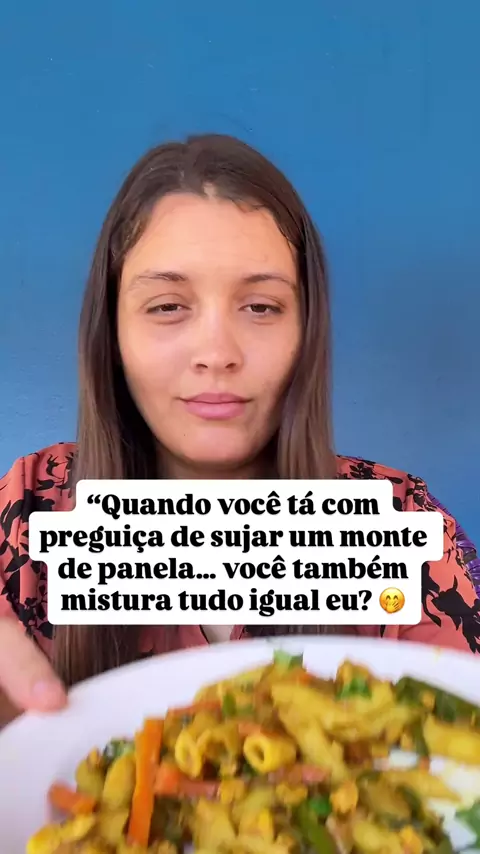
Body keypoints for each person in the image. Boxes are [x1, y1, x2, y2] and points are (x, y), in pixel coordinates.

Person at [0, 133, 479, 729]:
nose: (217, 353)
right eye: (168, 306)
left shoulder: (403, 524)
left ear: (307, 330)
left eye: (260, 307)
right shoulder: (28, 509)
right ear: (112, 333)